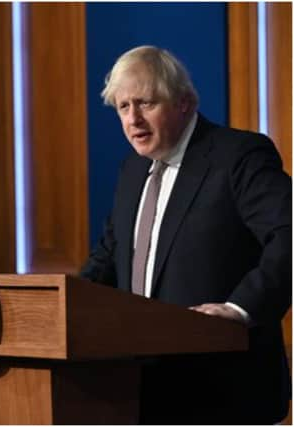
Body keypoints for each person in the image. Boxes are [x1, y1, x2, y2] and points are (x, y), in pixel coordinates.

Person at [79, 45, 291, 423]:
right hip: (140, 389)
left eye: (145, 103)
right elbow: (109, 258)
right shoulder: (132, 171)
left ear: (185, 103)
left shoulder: (237, 156)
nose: (133, 120)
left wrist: (241, 309)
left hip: (224, 390)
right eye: (123, 107)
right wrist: (61, 308)